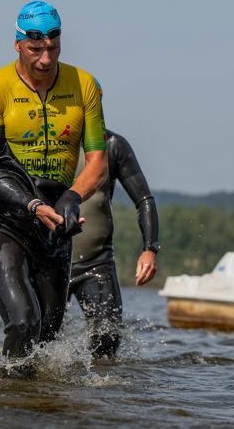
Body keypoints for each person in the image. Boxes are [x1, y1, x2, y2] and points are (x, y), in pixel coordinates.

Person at [0, 0, 108, 364]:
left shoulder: (85, 85)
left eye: (53, 48)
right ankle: (7, 395)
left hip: (55, 229)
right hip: (6, 224)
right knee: (23, 323)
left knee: (47, 341)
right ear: (17, 44)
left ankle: (29, 394)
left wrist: (73, 196)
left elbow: (98, 163)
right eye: (35, 49)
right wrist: (32, 204)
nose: (45, 60)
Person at [69, 129, 160, 358]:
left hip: (96, 263)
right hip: (50, 261)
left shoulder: (112, 145)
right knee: (39, 338)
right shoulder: (45, 140)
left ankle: (102, 381)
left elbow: (144, 199)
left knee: (107, 338)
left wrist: (150, 249)